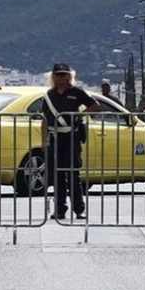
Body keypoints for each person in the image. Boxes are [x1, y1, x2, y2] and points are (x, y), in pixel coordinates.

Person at [42, 62, 99, 220]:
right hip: (55, 137)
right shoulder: (49, 95)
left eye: (63, 74)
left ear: (69, 76)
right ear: (53, 76)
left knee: (73, 174)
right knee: (57, 175)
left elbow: (94, 105)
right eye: (57, 74)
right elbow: (44, 118)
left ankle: (79, 209)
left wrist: (79, 116)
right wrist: (43, 140)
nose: (60, 77)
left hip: (71, 136)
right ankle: (60, 210)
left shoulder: (77, 92)